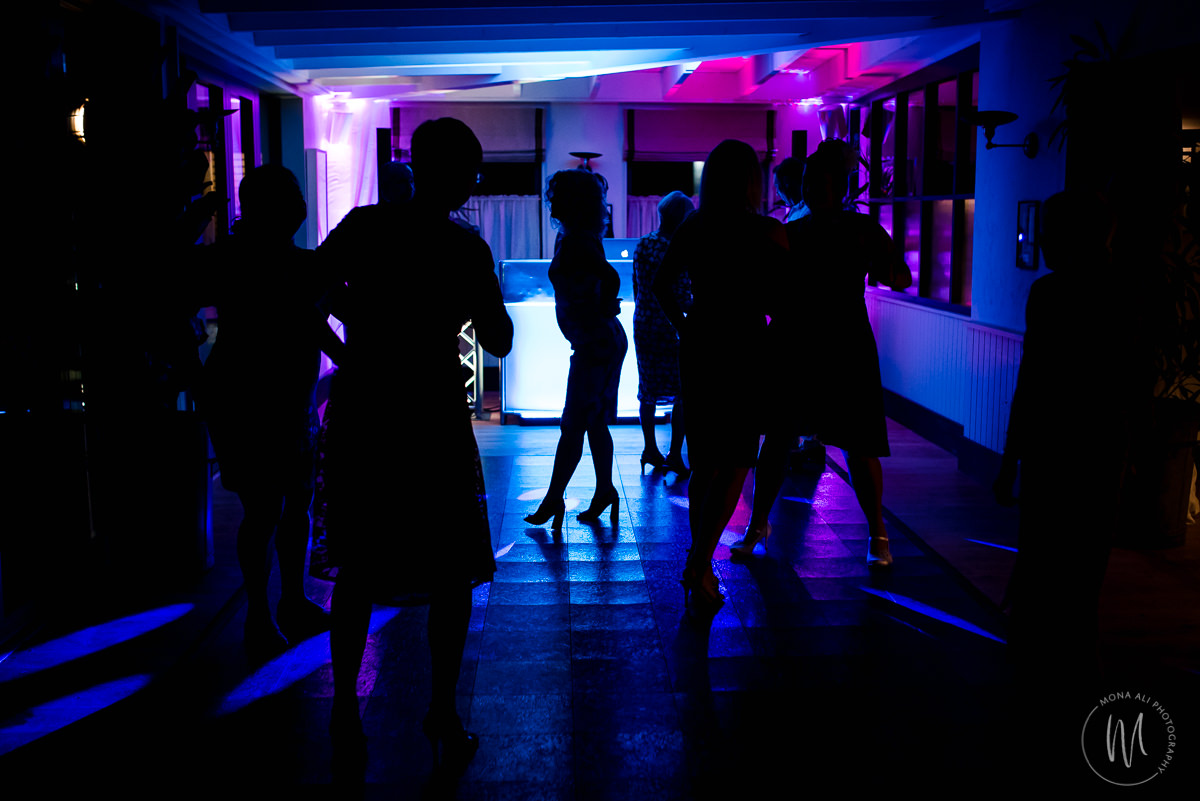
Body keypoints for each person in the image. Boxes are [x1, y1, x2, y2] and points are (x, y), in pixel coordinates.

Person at [322, 118, 513, 773]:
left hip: (366, 408)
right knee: (449, 566)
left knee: (359, 561)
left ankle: (344, 706)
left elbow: (311, 291)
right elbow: (499, 338)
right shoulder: (464, 247)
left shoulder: (363, 227)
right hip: (430, 411)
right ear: (458, 176)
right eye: (473, 170)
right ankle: (442, 710)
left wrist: (354, 343)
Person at [196, 165, 342, 654]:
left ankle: (282, 605)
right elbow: (317, 320)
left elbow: (315, 321)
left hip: (272, 397)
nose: (299, 207)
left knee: (284, 505)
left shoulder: (235, 259)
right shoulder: (281, 263)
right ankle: (267, 611)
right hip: (257, 399)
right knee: (270, 508)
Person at [993, 189, 1127, 678]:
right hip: (1099, 444)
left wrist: (1010, 459)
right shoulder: (1120, 293)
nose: (1042, 239)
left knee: (1042, 549)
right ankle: (1079, 651)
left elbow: (1032, 380)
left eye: (1049, 231)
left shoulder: (1049, 294)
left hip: (1051, 444)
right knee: (1086, 556)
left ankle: (1034, 648)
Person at [653, 140, 789, 612]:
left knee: (705, 461)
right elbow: (783, 299)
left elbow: (661, 284)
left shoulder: (694, 224)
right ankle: (698, 564)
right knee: (736, 461)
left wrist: (685, 324)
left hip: (700, 341)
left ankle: (701, 566)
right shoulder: (768, 232)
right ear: (751, 180)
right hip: (745, 343)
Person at [780, 139, 912, 567]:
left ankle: (877, 533)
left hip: (819, 340)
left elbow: (899, 276)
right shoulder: (846, 229)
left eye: (817, 184)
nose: (810, 190)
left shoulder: (805, 231)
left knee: (840, 441)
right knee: (845, 441)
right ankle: (878, 536)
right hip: (834, 339)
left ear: (837, 188)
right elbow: (899, 277)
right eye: (808, 183)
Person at [524, 169, 629, 529]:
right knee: (593, 420)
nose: (551, 201)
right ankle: (604, 490)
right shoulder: (577, 237)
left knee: (573, 424)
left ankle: (554, 498)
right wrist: (602, 306)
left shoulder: (576, 241)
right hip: (598, 341)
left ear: (571, 202)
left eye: (556, 196)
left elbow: (610, 276)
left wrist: (603, 306)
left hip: (595, 343)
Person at [632, 190, 694, 475]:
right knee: (683, 391)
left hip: (645, 324)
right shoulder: (682, 247)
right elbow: (682, 293)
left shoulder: (644, 244)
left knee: (647, 389)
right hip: (674, 326)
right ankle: (675, 454)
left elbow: (638, 286)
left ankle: (650, 448)